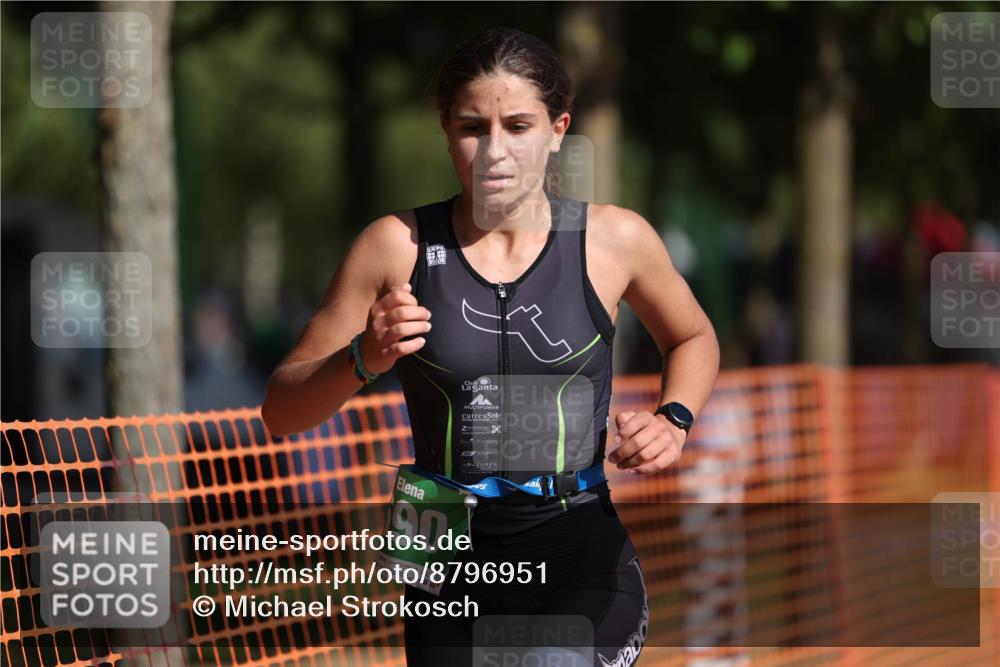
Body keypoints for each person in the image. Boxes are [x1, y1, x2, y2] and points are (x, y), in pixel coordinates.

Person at [262, 26, 719, 667]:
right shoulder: (395, 246)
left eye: (519, 126)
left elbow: (693, 335)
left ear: (559, 128)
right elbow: (281, 412)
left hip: (573, 538)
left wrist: (675, 418)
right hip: (439, 545)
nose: (494, 152)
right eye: (473, 128)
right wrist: (364, 356)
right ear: (446, 130)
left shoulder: (613, 239)